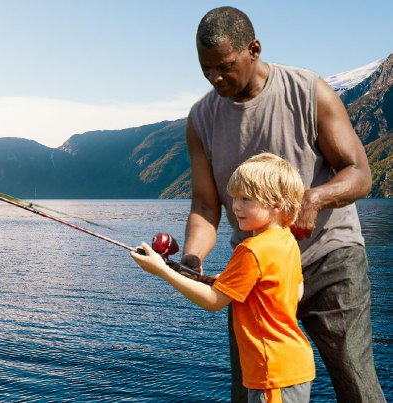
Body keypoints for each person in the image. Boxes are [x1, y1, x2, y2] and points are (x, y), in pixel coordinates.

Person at [180, 6, 385, 403]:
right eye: (205, 69)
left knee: (356, 381)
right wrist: (191, 258)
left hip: (330, 257)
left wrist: (316, 198)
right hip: (256, 269)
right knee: (254, 390)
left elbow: (360, 172)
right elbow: (206, 207)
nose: (214, 78)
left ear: (253, 49)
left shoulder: (309, 91)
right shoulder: (201, 119)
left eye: (223, 66)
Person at [132, 152, 315, 402]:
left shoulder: (252, 249)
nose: (236, 206)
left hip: (272, 374)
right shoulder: (286, 240)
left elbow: (213, 301)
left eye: (246, 198)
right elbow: (296, 291)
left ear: (277, 204)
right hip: (292, 366)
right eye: (234, 197)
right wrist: (235, 281)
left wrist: (162, 270)